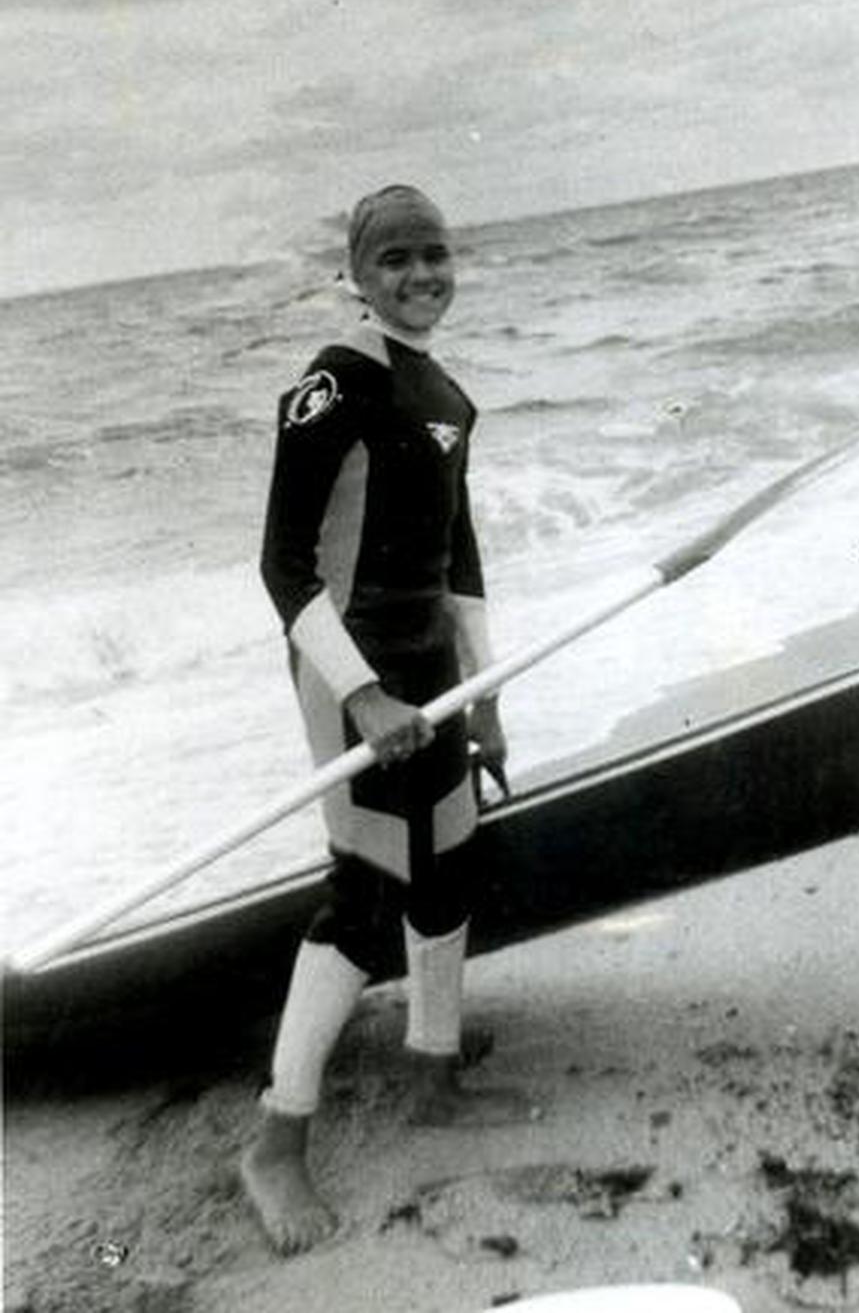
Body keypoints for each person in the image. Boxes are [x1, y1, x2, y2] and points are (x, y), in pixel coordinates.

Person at [241, 184, 513, 1255]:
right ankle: (277, 1140)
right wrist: (362, 694)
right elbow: (283, 564)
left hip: (431, 670)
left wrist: (483, 697)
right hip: (347, 671)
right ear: (358, 273)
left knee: (447, 865)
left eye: (434, 253)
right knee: (364, 897)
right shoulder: (333, 383)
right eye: (393, 259)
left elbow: (460, 560)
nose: (419, 275)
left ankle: (433, 1076)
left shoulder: (447, 391)